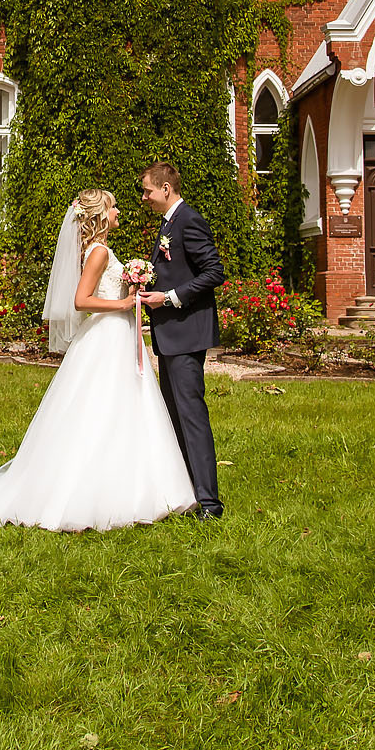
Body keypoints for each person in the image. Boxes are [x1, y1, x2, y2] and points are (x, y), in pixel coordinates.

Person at [0, 188, 195, 531]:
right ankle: (105, 493)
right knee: (105, 407)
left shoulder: (98, 249)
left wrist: (131, 290)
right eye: (114, 207)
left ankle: (133, 487)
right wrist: (123, 303)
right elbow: (81, 300)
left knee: (122, 406)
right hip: (107, 335)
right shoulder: (99, 252)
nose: (118, 212)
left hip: (117, 333)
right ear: (101, 214)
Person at [135, 161, 226, 518]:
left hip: (186, 333)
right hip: (171, 335)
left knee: (191, 417)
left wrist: (169, 297)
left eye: (147, 190)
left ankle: (210, 503)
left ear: (166, 189)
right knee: (176, 415)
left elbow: (214, 271)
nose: (144, 197)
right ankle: (188, 492)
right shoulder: (168, 223)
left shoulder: (189, 221)